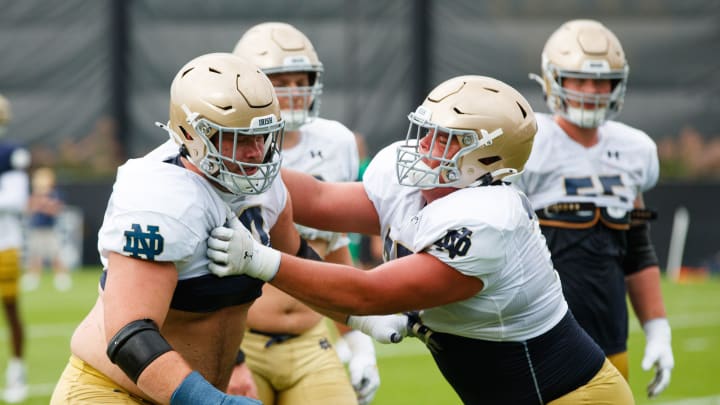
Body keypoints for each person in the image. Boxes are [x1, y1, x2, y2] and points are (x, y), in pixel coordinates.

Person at [206, 75, 635, 404]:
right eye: (426, 130)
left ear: (486, 160)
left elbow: (367, 293)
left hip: (573, 396)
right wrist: (236, 164)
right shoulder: (415, 186)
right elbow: (317, 197)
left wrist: (259, 261)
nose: (424, 145)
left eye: (445, 139)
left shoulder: (489, 221)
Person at [50, 52, 403, 405]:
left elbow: (300, 265)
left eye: (263, 136)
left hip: (190, 393)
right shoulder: (160, 196)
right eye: (238, 138)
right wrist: (215, 402)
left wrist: (363, 320)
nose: (255, 153)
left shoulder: (266, 186)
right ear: (192, 134)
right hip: (116, 391)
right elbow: (130, 335)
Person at [518, 19, 674, 398]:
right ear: (554, 79)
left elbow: (637, 247)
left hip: (609, 340)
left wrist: (657, 326)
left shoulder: (635, 151)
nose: (591, 91)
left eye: (601, 81)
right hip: (536, 342)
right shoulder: (527, 143)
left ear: (617, 84)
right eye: (579, 79)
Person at [232, 22, 380, 405]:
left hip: (311, 338)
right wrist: (232, 358)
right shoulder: (228, 147)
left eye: (303, 80)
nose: (296, 93)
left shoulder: (337, 143)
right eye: (283, 81)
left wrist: (358, 341)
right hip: (240, 338)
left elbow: (332, 249)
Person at [0, 93, 31, 404]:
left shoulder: (8, 152)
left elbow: (16, 200)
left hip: (3, 245)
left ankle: (17, 368)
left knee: (10, 311)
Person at [24, 166, 72, 291]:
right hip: (36, 229)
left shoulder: (55, 194)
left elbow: (56, 209)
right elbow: (29, 209)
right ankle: (33, 277)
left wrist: (44, 204)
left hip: (50, 229)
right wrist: (39, 202)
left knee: (55, 254)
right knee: (35, 255)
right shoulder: (34, 194)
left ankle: (61, 277)